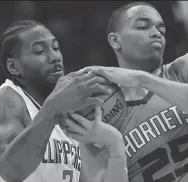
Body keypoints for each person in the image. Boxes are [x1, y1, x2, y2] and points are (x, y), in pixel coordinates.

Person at [63, 2, 188, 182]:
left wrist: (142, 79)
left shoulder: (180, 70)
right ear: (115, 40)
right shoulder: (98, 113)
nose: (156, 33)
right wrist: (115, 145)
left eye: (161, 29)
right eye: (143, 26)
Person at [0, 20, 119, 182]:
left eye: (56, 48)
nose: (54, 57)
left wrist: (113, 143)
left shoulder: (68, 115)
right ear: (14, 67)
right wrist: (52, 109)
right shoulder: (5, 100)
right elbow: (12, 171)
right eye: (40, 51)